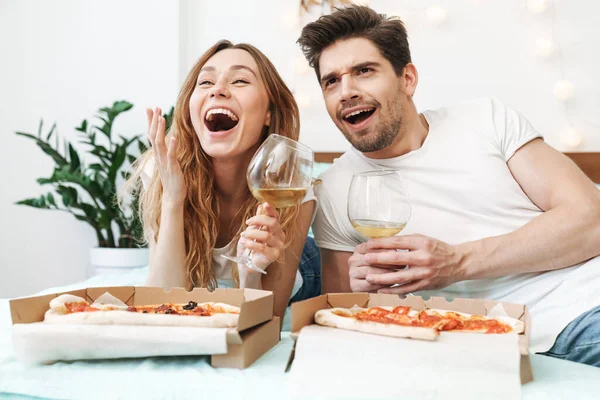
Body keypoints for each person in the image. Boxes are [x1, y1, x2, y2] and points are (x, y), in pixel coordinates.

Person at [297, 5, 600, 366]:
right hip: (502, 338)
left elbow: (591, 219)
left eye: (364, 71)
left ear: (407, 78)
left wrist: (455, 263)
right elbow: (344, 313)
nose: (346, 91)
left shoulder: (484, 119)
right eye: (331, 81)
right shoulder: (331, 189)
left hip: (586, 302)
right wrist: (365, 291)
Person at [126, 40, 321, 320]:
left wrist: (251, 275)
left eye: (240, 80)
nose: (217, 89)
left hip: (306, 267)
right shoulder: (164, 168)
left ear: (269, 113)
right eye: (205, 82)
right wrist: (172, 197)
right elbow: (162, 307)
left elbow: (267, 323)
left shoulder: (293, 188)